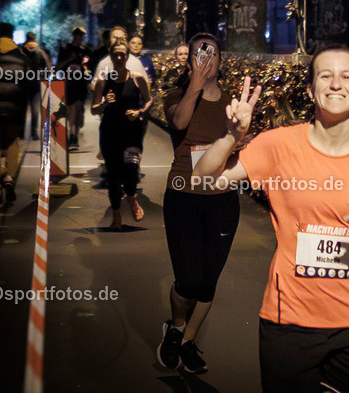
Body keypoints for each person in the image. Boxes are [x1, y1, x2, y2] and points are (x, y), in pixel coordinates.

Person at [191, 43, 349, 391]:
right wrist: (231, 136)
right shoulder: (278, 145)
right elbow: (202, 180)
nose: (336, 84)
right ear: (311, 89)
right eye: (325, 76)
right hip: (288, 320)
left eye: (346, 77)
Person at [154, 33, 240, 374]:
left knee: (208, 281)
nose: (207, 59)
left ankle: (187, 339)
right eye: (200, 54)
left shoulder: (234, 101)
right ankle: (175, 327)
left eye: (213, 54)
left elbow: (241, 144)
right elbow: (179, 122)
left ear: (222, 59)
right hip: (184, 196)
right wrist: (196, 83)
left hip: (222, 201)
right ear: (189, 60)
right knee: (188, 280)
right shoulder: (177, 95)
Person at [90, 41, 151, 228]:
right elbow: (93, 110)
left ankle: (131, 197)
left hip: (131, 130)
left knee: (132, 169)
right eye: (115, 54)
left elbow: (149, 100)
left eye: (122, 55)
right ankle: (116, 213)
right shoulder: (103, 80)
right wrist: (104, 105)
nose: (118, 58)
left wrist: (139, 112)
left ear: (127, 56)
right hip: (110, 131)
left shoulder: (138, 78)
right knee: (114, 175)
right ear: (110, 55)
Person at [0, 22, 33, 204]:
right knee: (11, 143)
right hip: (14, 108)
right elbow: (29, 82)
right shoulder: (21, 57)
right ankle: (9, 177)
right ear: (12, 36)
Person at [56, 27, 92, 148]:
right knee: (70, 109)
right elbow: (58, 67)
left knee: (78, 108)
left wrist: (88, 79)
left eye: (81, 35)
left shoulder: (85, 51)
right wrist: (69, 59)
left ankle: (75, 135)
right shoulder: (66, 49)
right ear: (73, 36)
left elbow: (89, 68)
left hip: (81, 83)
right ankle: (70, 134)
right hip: (70, 82)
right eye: (78, 35)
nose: (80, 38)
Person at [21, 32, 52, 140]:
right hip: (36, 82)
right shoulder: (40, 52)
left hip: (23, 82)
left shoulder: (21, 51)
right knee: (35, 108)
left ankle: (21, 132)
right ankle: (34, 131)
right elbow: (48, 68)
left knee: (23, 107)